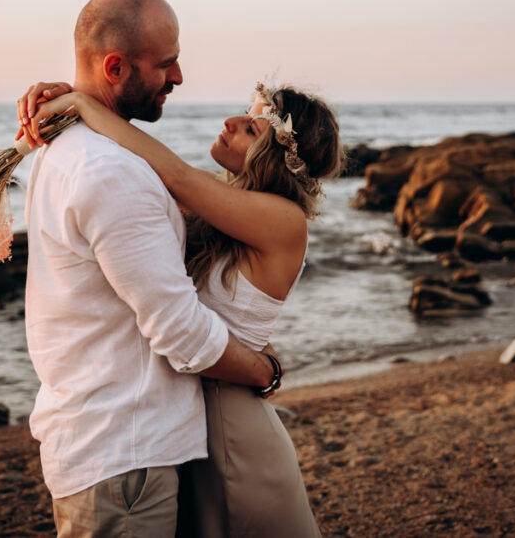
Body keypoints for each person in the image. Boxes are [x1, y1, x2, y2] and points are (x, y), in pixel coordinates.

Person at [19, 74, 344, 537]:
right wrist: (73, 95)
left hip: (231, 426)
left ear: (277, 158)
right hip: (184, 422)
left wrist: (87, 105)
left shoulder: (285, 220)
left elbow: (171, 172)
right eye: (244, 115)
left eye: (251, 129)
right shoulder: (226, 205)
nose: (230, 122)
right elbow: (135, 176)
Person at [19, 0, 280, 538]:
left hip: (112, 446)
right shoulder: (110, 171)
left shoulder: (67, 148)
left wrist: (79, 103)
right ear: (115, 67)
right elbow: (181, 333)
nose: (179, 77)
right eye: (166, 64)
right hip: (125, 456)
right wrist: (268, 370)